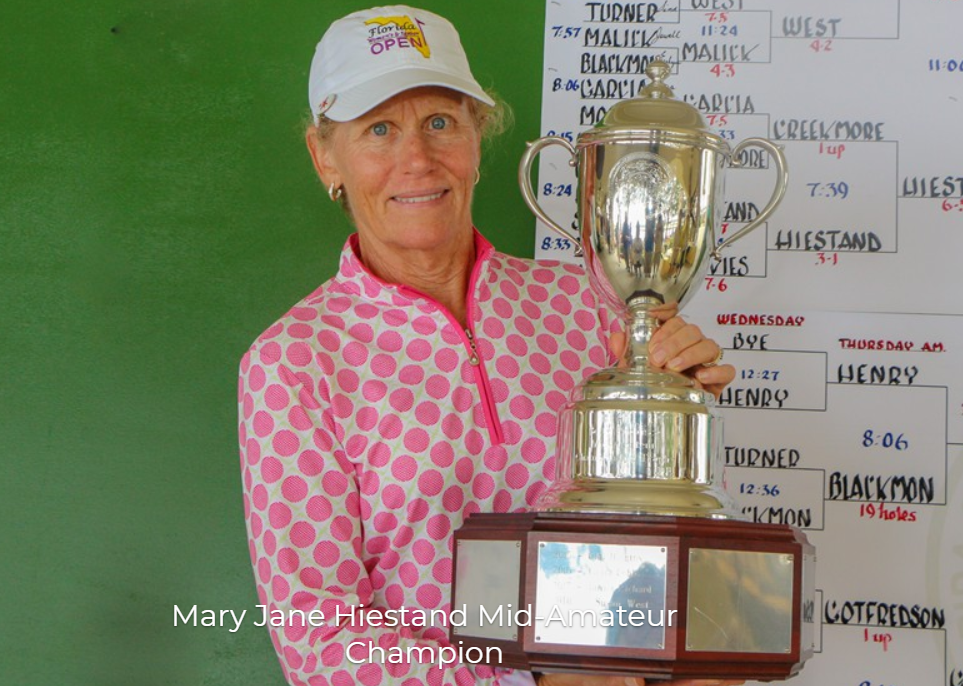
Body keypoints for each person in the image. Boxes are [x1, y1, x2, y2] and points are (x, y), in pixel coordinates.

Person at [238, 6, 736, 686]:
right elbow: (318, 639)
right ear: (325, 156)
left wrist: (677, 423)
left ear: (477, 136)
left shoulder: (593, 306)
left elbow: (648, 561)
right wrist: (530, 682)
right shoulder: (293, 364)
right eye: (378, 129)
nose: (417, 159)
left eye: (440, 122)